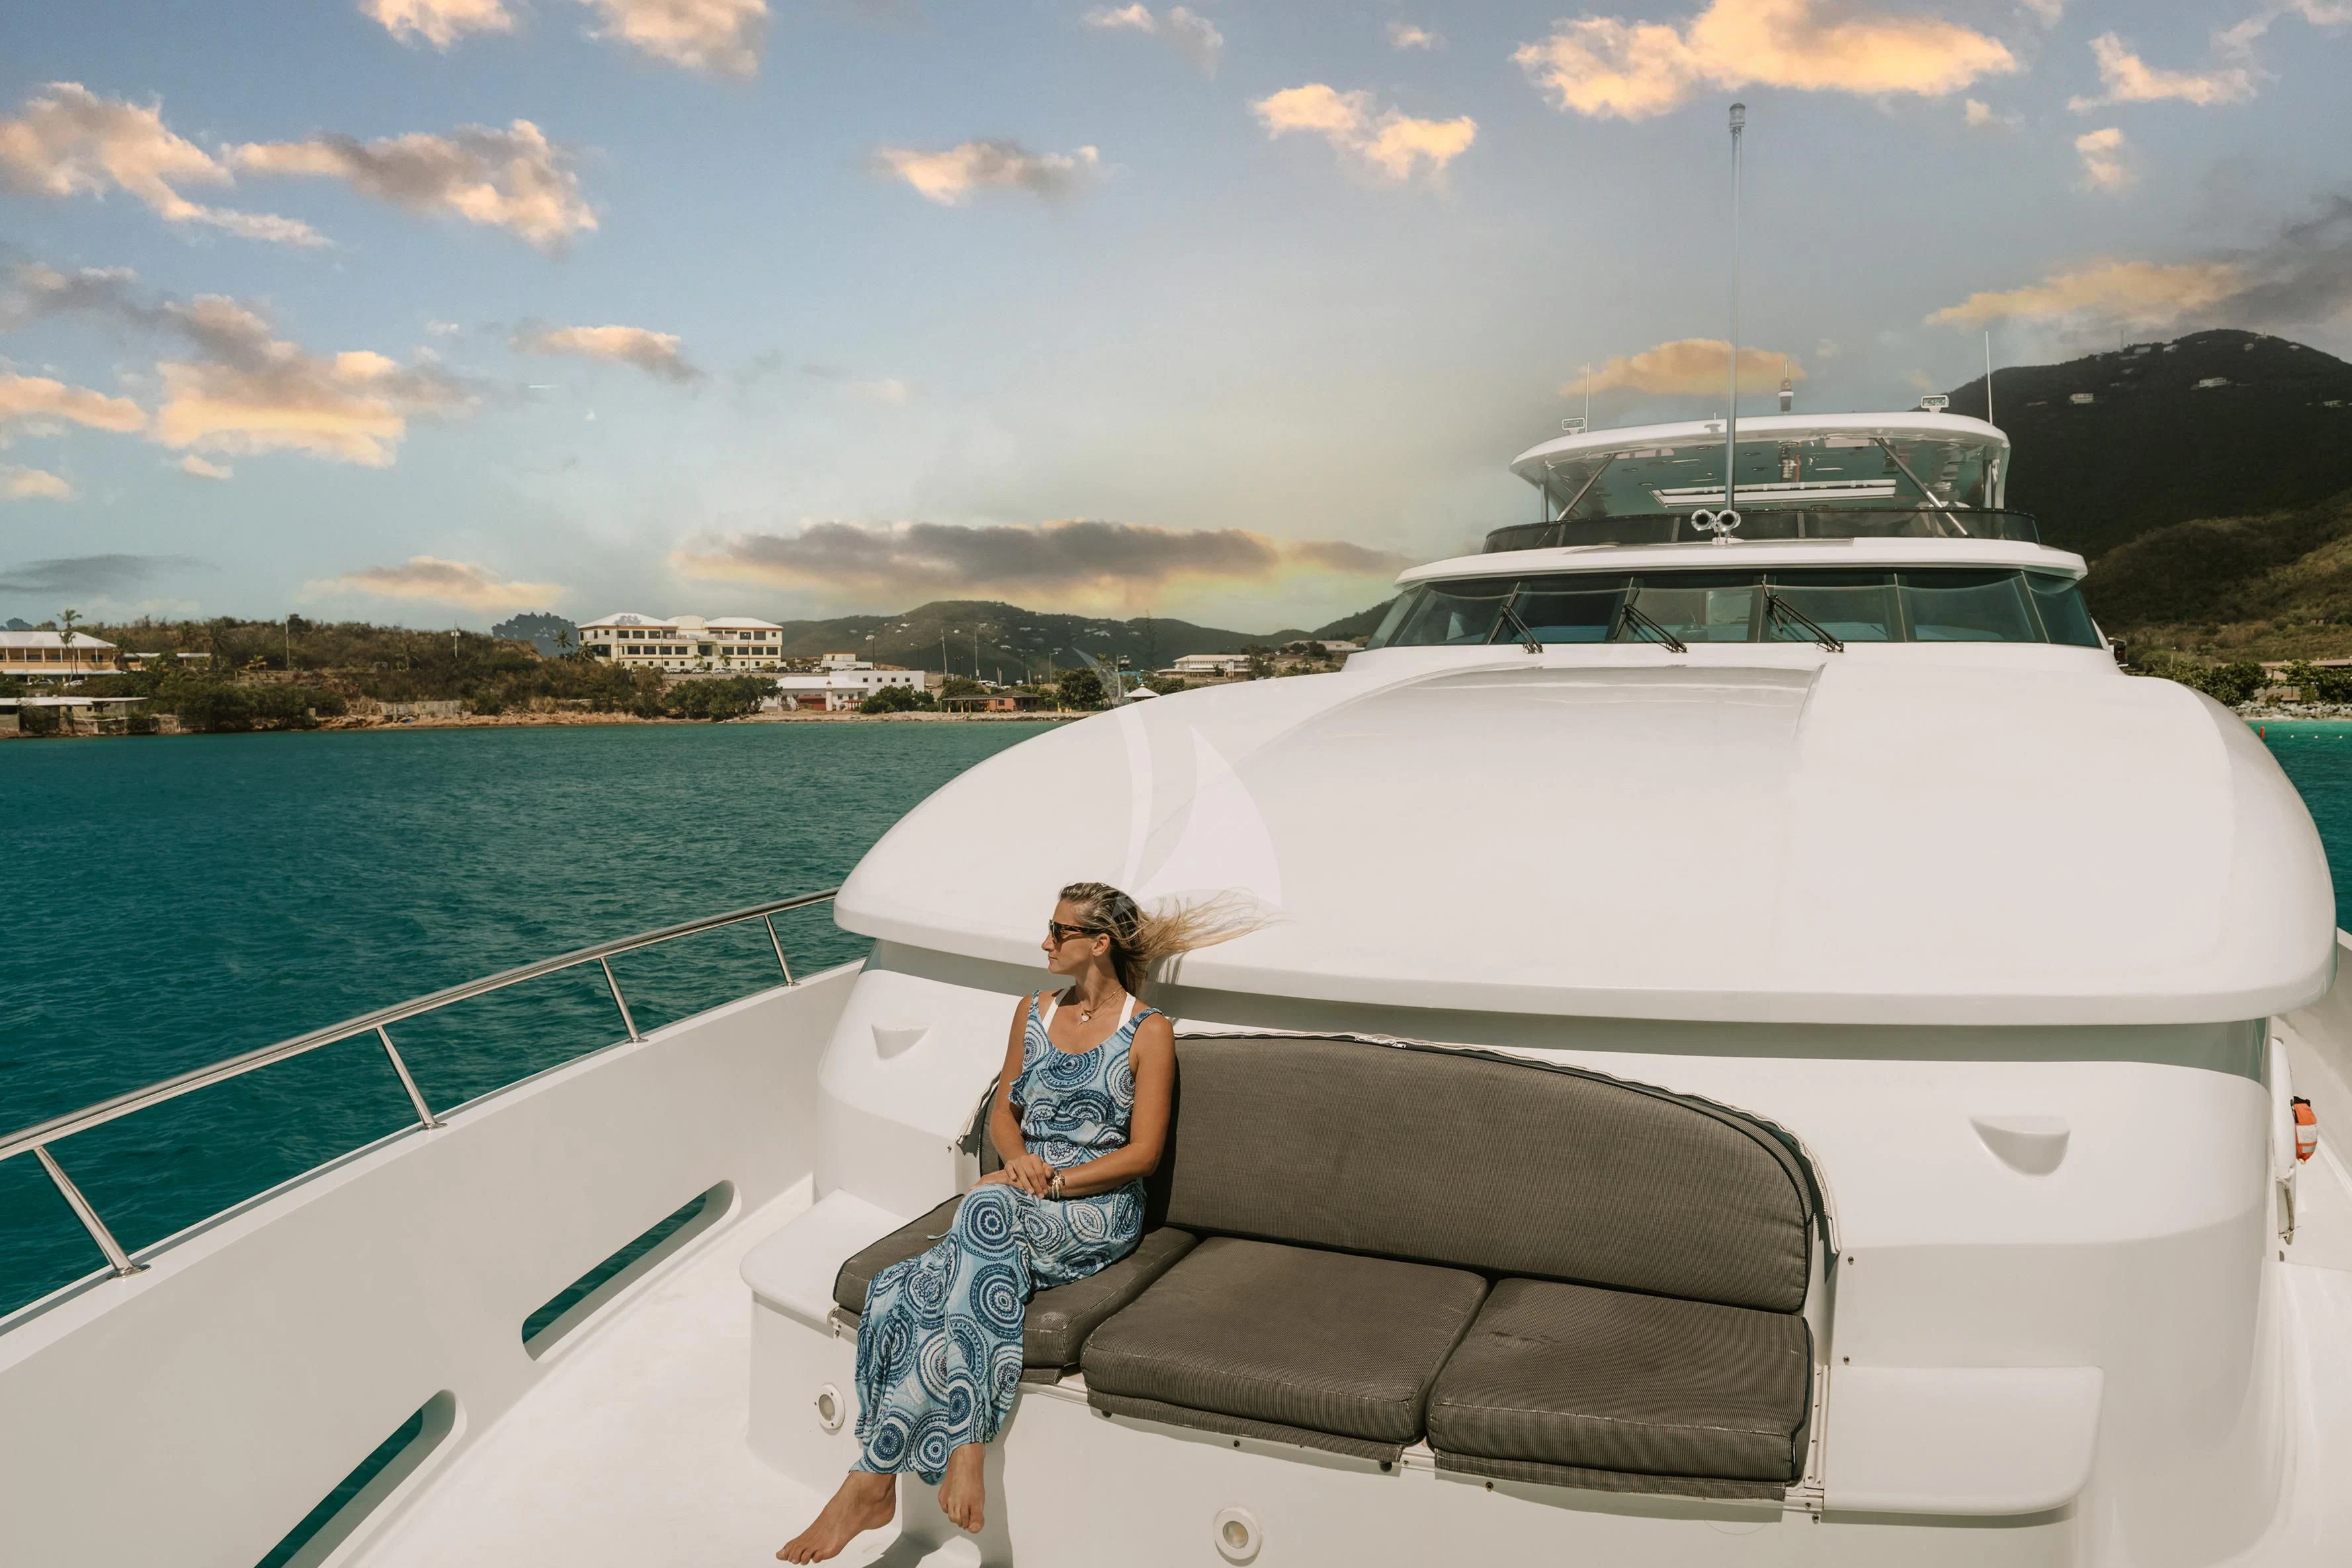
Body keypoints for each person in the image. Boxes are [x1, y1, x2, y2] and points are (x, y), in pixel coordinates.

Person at [778, 882, 1253, 1563]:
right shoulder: (1032, 1012)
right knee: (904, 1288)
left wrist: (1053, 1180)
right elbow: (1003, 1110)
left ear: (1100, 943)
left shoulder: (1147, 1031)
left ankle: (903, 1468)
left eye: (1059, 931)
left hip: (1097, 1204)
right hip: (1023, 1190)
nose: (1045, 942)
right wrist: (1020, 1159)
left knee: (974, 1217)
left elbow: (1143, 1155)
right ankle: (903, 1471)